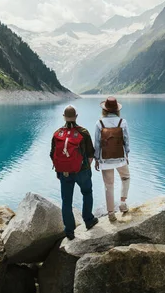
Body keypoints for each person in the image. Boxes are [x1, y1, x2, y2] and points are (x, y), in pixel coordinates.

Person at [50, 105, 99, 240]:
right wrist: (84, 167)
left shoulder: (57, 133)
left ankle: (69, 231)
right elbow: (90, 154)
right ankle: (88, 220)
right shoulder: (83, 132)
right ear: (76, 116)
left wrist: (61, 170)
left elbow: (52, 154)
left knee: (66, 201)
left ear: (64, 117)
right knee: (87, 192)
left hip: (65, 173)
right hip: (82, 171)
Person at [94, 97, 131, 222]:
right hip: (120, 157)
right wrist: (127, 155)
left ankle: (111, 214)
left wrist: (97, 159)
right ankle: (122, 203)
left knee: (108, 186)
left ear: (105, 109)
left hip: (105, 159)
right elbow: (126, 141)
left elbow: (97, 144)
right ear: (117, 110)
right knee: (125, 177)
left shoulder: (99, 123)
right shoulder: (123, 122)